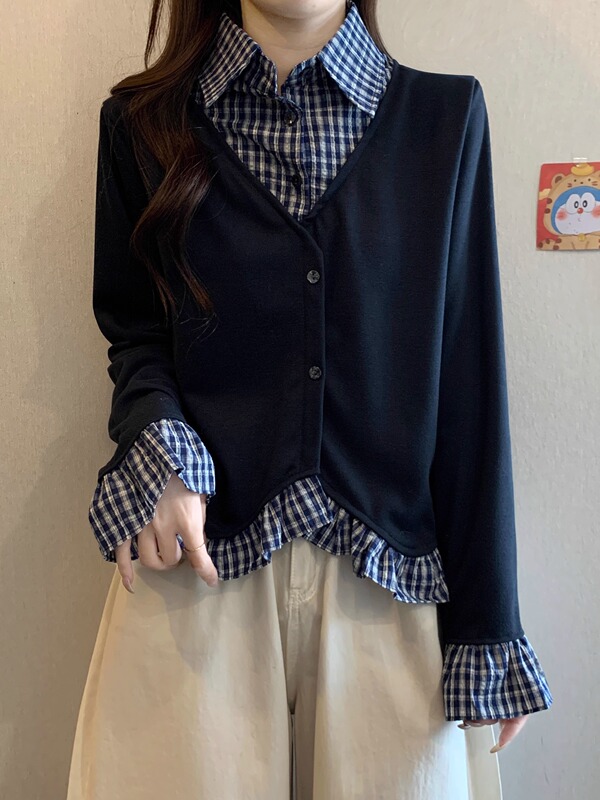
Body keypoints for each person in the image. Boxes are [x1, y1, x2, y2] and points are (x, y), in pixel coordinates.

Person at [66, 1, 553, 797]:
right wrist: (161, 451)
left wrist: (488, 621)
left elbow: (469, 382)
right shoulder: (141, 125)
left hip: (387, 588)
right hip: (196, 572)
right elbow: (135, 335)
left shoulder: (444, 119)